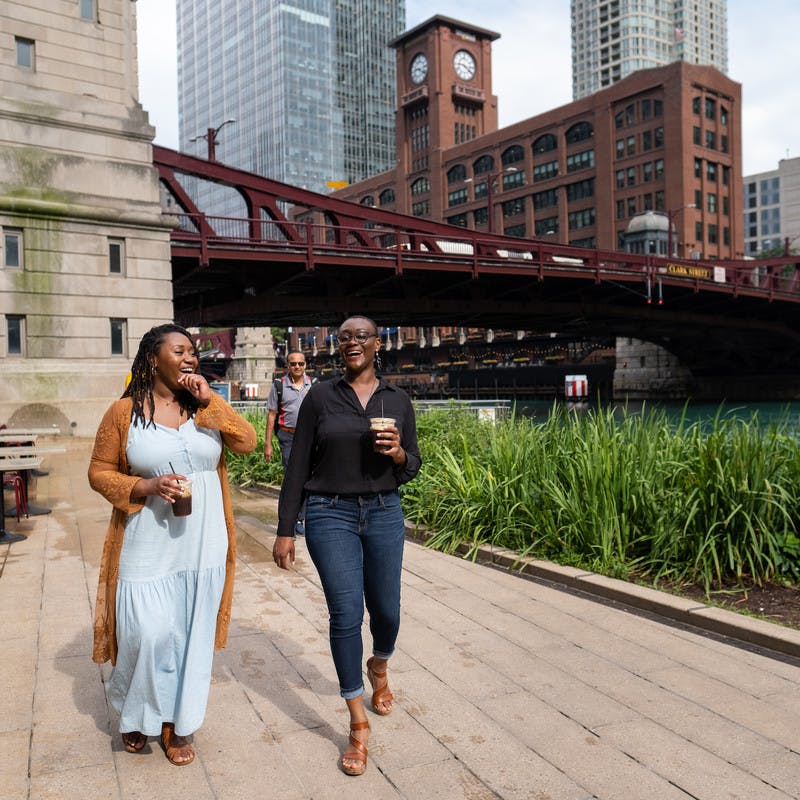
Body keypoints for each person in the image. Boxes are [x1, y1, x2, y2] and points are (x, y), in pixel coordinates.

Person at [88, 323, 256, 766]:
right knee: (148, 633)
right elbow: (99, 472)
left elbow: (248, 441)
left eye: (193, 352)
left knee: (191, 635)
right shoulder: (123, 413)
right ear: (151, 359)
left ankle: (178, 725)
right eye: (179, 350)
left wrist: (210, 401)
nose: (190, 358)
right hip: (147, 541)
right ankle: (135, 712)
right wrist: (144, 485)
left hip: (203, 543)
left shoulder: (204, 407)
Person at [272, 315, 421, 777]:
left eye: (362, 336)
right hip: (328, 512)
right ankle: (357, 722)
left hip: (382, 511)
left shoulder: (398, 400)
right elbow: (297, 464)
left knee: (387, 611)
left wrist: (397, 453)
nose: (352, 342)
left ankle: (380, 664)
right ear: (339, 348)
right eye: (345, 337)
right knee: (344, 612)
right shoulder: (320, 397)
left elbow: (412, 465)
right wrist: (283, 528)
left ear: (379, 343)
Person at [264, 349, 314, 534]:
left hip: (308, 437)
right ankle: (287, 523)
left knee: (307, 480)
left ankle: (299, 519)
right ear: (288, 365)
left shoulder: (313, 385)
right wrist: (267, 444)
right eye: (293, 363)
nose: (297, 367)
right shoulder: (279, 385)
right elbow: (271, 416)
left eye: (300, 363)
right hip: (288, 437)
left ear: (305, 365)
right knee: (291, 480)